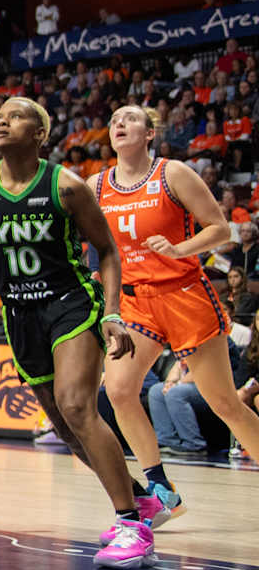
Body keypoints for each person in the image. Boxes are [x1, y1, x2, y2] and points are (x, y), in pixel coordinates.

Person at [0, 96, 151, 570]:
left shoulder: (67, 186)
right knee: (62, 425)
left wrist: (113, 313)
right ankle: (140, 499)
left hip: (70, 304)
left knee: (77, 406)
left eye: (15, 116)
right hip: (19, 312)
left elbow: (108, 250)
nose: (1, 120)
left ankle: (131, 526)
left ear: (40, 134)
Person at [92, 105, 259, 522]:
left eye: (129, 119)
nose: (119, 125)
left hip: (185, 295)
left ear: (149, 133)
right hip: (135, 301)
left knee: (225, 403)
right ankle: (162, 490)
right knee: (119, 389)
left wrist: (179, 250)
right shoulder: (95, 186)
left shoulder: (173, 173)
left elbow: (221, 229)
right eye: (114, 121)